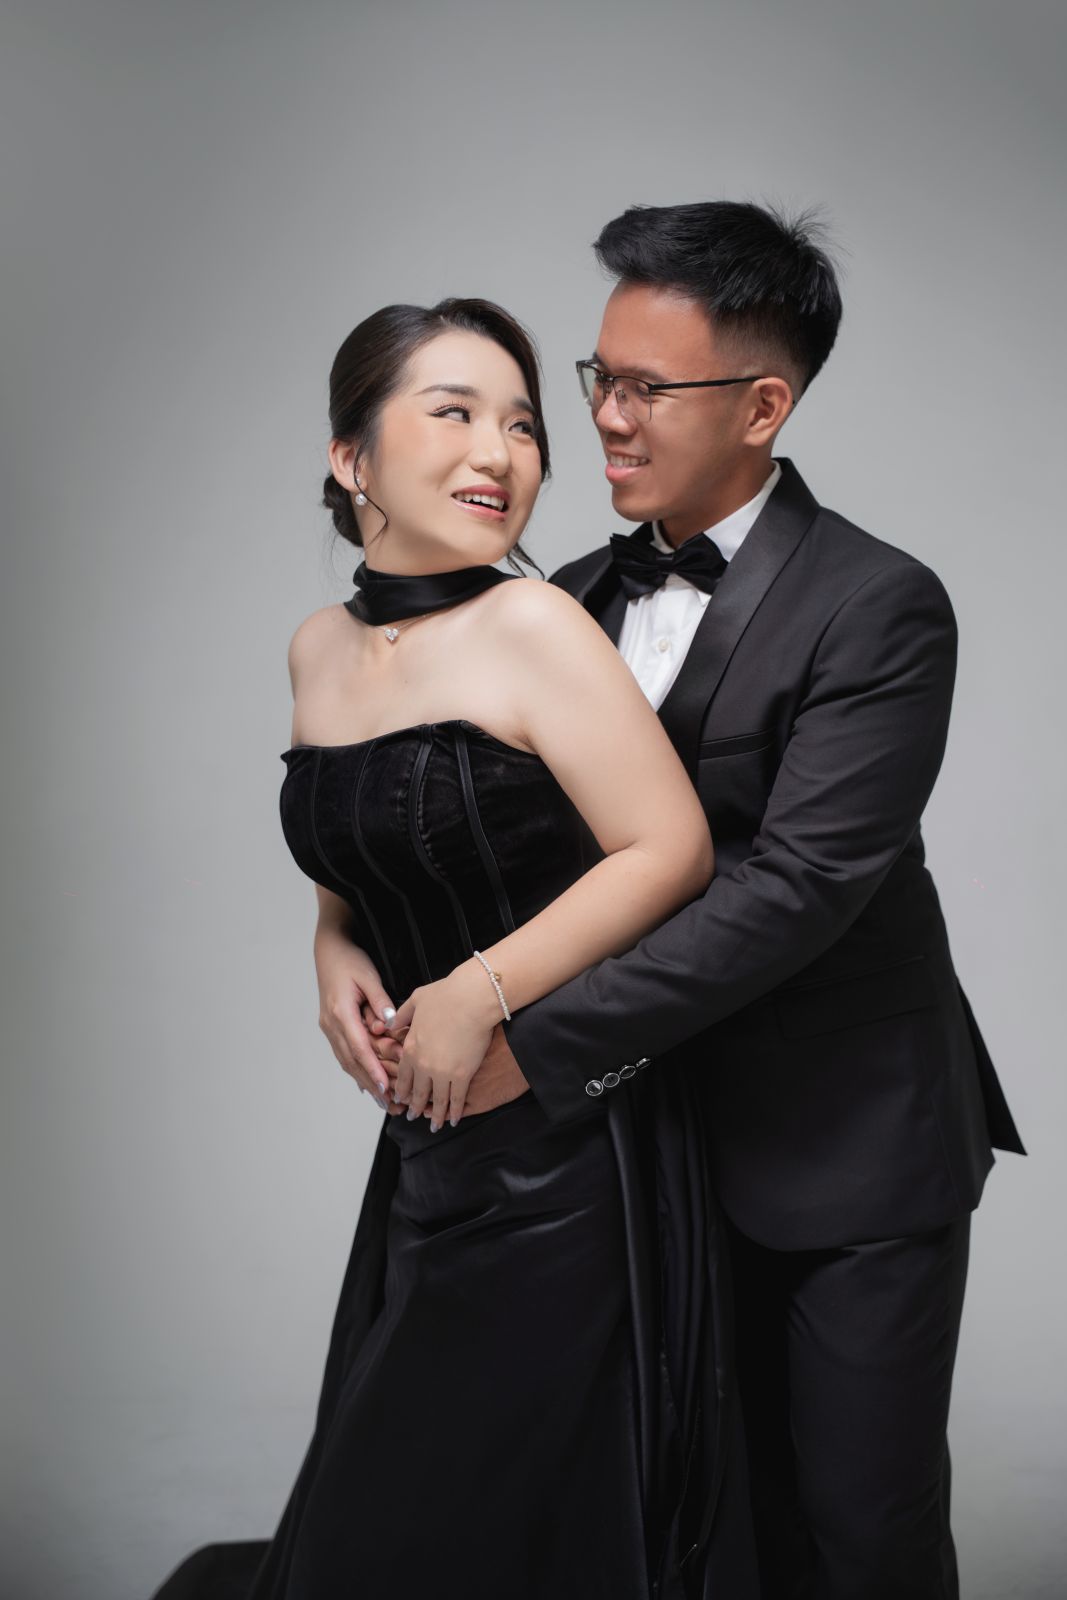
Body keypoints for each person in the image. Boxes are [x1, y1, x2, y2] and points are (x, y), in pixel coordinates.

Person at [369, 203, 1025, 1599]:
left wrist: (527, 1039)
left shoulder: (881, 604)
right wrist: (349, 941)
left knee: (858, 1533)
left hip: (844, 1148)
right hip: (634, 1160)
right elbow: (474, 819)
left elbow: (800, 888)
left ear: (764, 406)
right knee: (684, 1531)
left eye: (647, 388)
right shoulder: (566, 598)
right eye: (599, 378)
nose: (605, 418)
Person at [149, 297, 757, 1600]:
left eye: (524, 425)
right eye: (456, 413)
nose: (501, 452)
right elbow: (363, 842)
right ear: (351, 457)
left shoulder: (537, 628)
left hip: (569, 1147)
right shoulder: (318, 650)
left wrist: (481, 991)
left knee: (467, 1526)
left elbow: (669, 849)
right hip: (427, 1146)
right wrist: (331, 942)